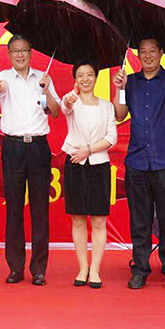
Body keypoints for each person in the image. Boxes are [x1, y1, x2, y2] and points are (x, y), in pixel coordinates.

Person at [112, 38, 165, 290]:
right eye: (143, 51)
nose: (147, 56)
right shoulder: (130, 82)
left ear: (161, 53)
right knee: (139, 219)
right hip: (137, 161)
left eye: (152, 51)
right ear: (137, 55)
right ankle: (140, 268)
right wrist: (119, 88)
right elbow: (120, 114)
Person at [0, 34, 60, 286]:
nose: (20, 55)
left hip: (39, 148)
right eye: (15, 51)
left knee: (40, 209)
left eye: (24, 50)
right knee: (14, 209)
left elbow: (55, 112)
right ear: (9, 55)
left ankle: (39, 269)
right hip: (13, 147)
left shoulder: (43, 77)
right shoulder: (4, 78)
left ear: (31, 53)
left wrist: (47, 91)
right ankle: (15, 267)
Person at [60, 61, 117, 289]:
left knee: (99, 220)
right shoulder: (71, 101)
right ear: (75, 79)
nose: (85, 79)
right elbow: (64, 106)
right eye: (80, 75)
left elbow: (111, 137)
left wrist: (89, 149)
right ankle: (83, 267)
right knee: (78, 218)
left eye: (90, 74)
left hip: (99, 164)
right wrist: (69, 99)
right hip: (75, 163)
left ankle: (95, 269)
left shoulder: (106, 106)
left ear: (96, 78)